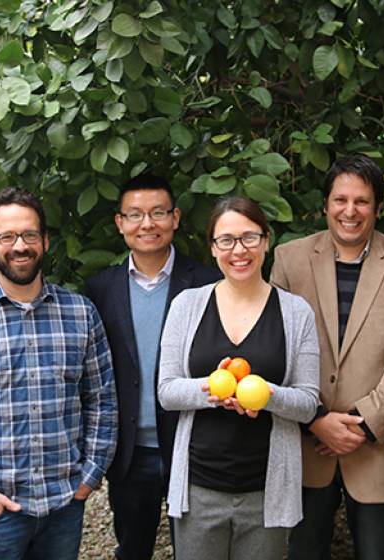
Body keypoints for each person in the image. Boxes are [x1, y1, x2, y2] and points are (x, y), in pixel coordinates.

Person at [0, 187, 117, 560]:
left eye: (29, 235)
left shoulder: (81, 314)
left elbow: (102, 399)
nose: (20, 246)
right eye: (7, 236)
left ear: (45, 241)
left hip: (64, 505)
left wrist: (89, 476)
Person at [271, 154, 384, 560]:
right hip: (306, 443)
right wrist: (316, 420)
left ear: (378, 207)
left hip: (379, 445)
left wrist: (361, 423)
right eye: (340, 200)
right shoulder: (290, 259)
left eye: (361, 201)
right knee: (303, 552)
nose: (350, 211)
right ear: (325, 204)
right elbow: (275, 345)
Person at [157, 196, 320, 560]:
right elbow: (166, 391)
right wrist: (212, 388)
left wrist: (265, 396)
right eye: (226, 240)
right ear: (213, 248)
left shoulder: (296, 312)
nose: (238, 250)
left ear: (266, 240)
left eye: (249, 237)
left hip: (267, 490)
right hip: (199, 487)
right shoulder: (187, 305)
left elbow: (309, 403)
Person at [85, 174, 220, 560]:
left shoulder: (206, 283)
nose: (147, 224)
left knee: (196, 549)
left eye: (158, 213)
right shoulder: (100, 289)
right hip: (130, 451)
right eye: (136, 214)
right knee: (132, 547)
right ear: (120, 223)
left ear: (175, 217)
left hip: (192, 443)